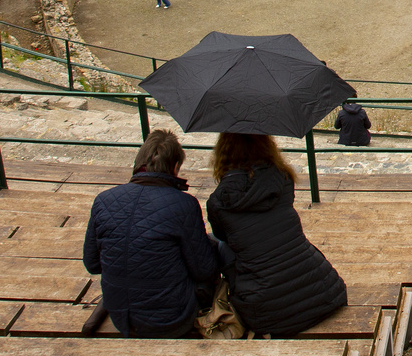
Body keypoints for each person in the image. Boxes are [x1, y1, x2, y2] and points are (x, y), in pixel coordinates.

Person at [206, 133, 349, 337]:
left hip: (267, 312)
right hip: (323, 294)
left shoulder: (218, 201)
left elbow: (223, 237)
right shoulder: (282, 179)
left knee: (217, 242)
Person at [82, 129, 221, 338]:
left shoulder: (103, 200)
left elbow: (92, 264)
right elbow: (205, 271)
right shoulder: (183, 204)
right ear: (175, 167)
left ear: (138, 163)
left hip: (122, 316)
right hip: (171, 320)